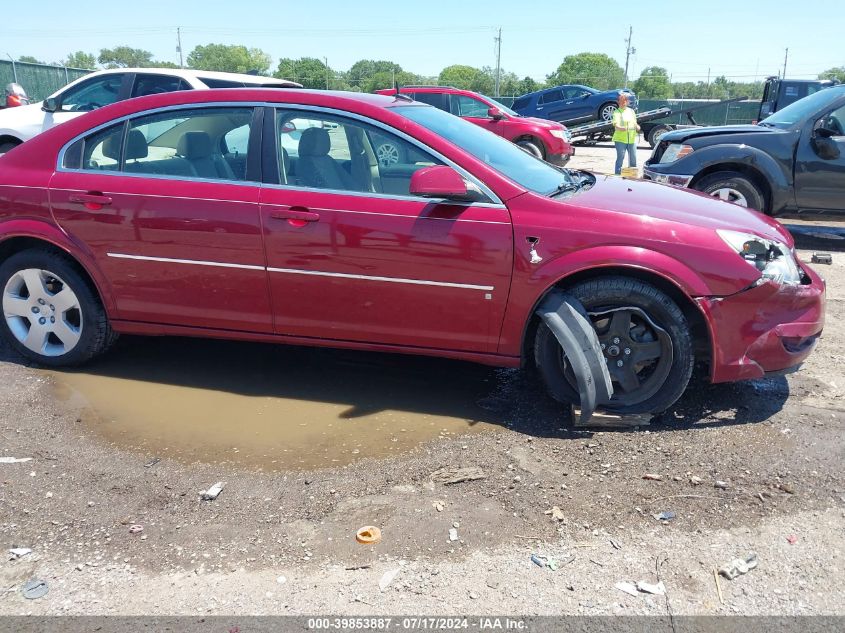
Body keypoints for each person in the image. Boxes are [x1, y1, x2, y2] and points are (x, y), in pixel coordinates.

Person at [612, 93, 640, 175]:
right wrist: (621, 128)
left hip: (631, 139)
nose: (623, 103)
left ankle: (632, 177)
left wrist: (637, 127)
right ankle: (617, 176)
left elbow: (635, 123)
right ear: (618, 102)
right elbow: (616, 125)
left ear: (627, 102)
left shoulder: (631, 111)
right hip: (620, 140)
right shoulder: (617, 112)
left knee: (633, 159)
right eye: (621, 101)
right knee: (620, 158)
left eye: (624, 101)